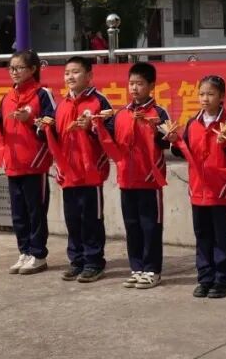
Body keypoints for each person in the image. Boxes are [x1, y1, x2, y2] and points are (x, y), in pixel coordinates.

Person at [169, 75, 226, 299]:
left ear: (222, 96)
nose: (205, 98)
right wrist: (174, 141)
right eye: (202, 94)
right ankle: (205, 279)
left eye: (210, 94)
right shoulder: (193, 122)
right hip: (198, 190)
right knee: (202, 237)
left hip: (221, 191)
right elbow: (183, 151)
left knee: (222, 238)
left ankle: (222, 280)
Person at [93, 62, 171, 290]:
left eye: (140, 84)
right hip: (127, 180)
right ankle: (136, 268)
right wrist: (97, 123)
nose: (135, 88)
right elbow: (108, 139)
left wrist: (156, 130)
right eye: (131, 83)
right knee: (132, 227)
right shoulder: (121, 114)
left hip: (149, 181)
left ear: (151, 86)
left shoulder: (159, 113)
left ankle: (152, 270)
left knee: (151, 227)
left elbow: (167, 142)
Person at [0, 50, 55, 275]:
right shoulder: (7, 97)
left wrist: (30, 120)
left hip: (34, 164)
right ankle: (24, 252)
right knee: (19, 213)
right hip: (12, 163)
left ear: (33, 69)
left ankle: (38, 254)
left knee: (36, 212)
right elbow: (2, 128)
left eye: (19, 68)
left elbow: (52, 126)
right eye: (11, 68)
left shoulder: (42, 94)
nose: (14, 72)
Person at [40, 56, 112, 283]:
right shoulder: (61, 104)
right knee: (72, 219)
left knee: (92, 219)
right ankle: (77, 260)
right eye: (67, 73)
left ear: (89, 76)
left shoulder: (99, 101)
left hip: (91, 173)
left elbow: (111, 134)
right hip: (69, 172)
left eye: (76, 72)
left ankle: (94, 262)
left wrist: (92, 127)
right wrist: (43, 128)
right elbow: (54, 135)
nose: (70, 77)